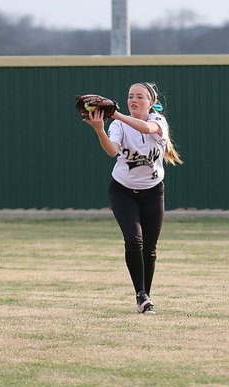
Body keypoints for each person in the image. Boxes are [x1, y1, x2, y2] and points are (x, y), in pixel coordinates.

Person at [84, 82, 182, 314]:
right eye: (130, 96)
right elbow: (111, 151)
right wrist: (99, 128)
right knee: (134, 240)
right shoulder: (118, 124)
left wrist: (114, 112)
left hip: (153, 192)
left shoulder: (158, 121)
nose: (133, 100)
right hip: (123, 190)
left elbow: (147, 130)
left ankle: (145, 297)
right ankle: (141, 295)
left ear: (150, 102)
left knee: (150, 248)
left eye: (139, 96)